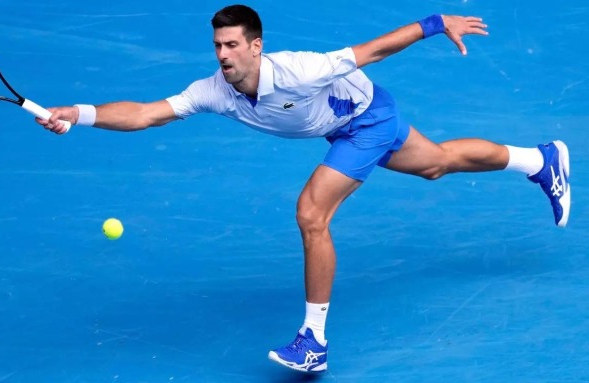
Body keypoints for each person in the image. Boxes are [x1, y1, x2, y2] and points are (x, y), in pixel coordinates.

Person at [36, 4, 571, 373]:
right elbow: (146, 114)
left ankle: (312, 340)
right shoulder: (214, 91)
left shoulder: (299, 71)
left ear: (256, 46)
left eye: (231, 45)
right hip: (345, 122)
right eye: (217, 45)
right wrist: (78, 114)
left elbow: (375, 50)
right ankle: (539, 160)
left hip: (365, 119)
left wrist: (436, 22)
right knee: (436, 164)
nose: (222, 55)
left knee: (312, 212)